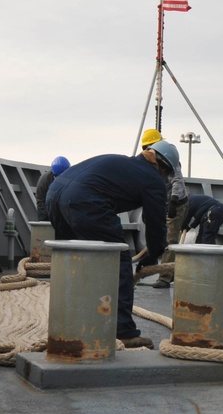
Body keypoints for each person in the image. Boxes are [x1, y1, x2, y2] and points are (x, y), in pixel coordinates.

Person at [46, 140, 179, 349]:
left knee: (75, 262)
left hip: (54, 194)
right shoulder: (152, 179)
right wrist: (153, 254)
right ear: (164, 168)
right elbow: (155, 224)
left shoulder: (125, 164)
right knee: (119, 260)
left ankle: (71, 321)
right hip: (83, 199)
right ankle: (124, 331)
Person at [139, 129, 189, 289]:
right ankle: (150, 265)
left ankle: (165, 278)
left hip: (176, 203)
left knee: (170, 241)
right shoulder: (149, 162)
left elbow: (177, 181)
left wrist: (174, 201)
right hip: (160, 203)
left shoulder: (169, 159)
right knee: (155, 235)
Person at [34, 156, 70, 221]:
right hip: (47, 210)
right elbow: (40, 201)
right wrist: (51, 215)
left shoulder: (71, 179)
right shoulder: (44, 180)